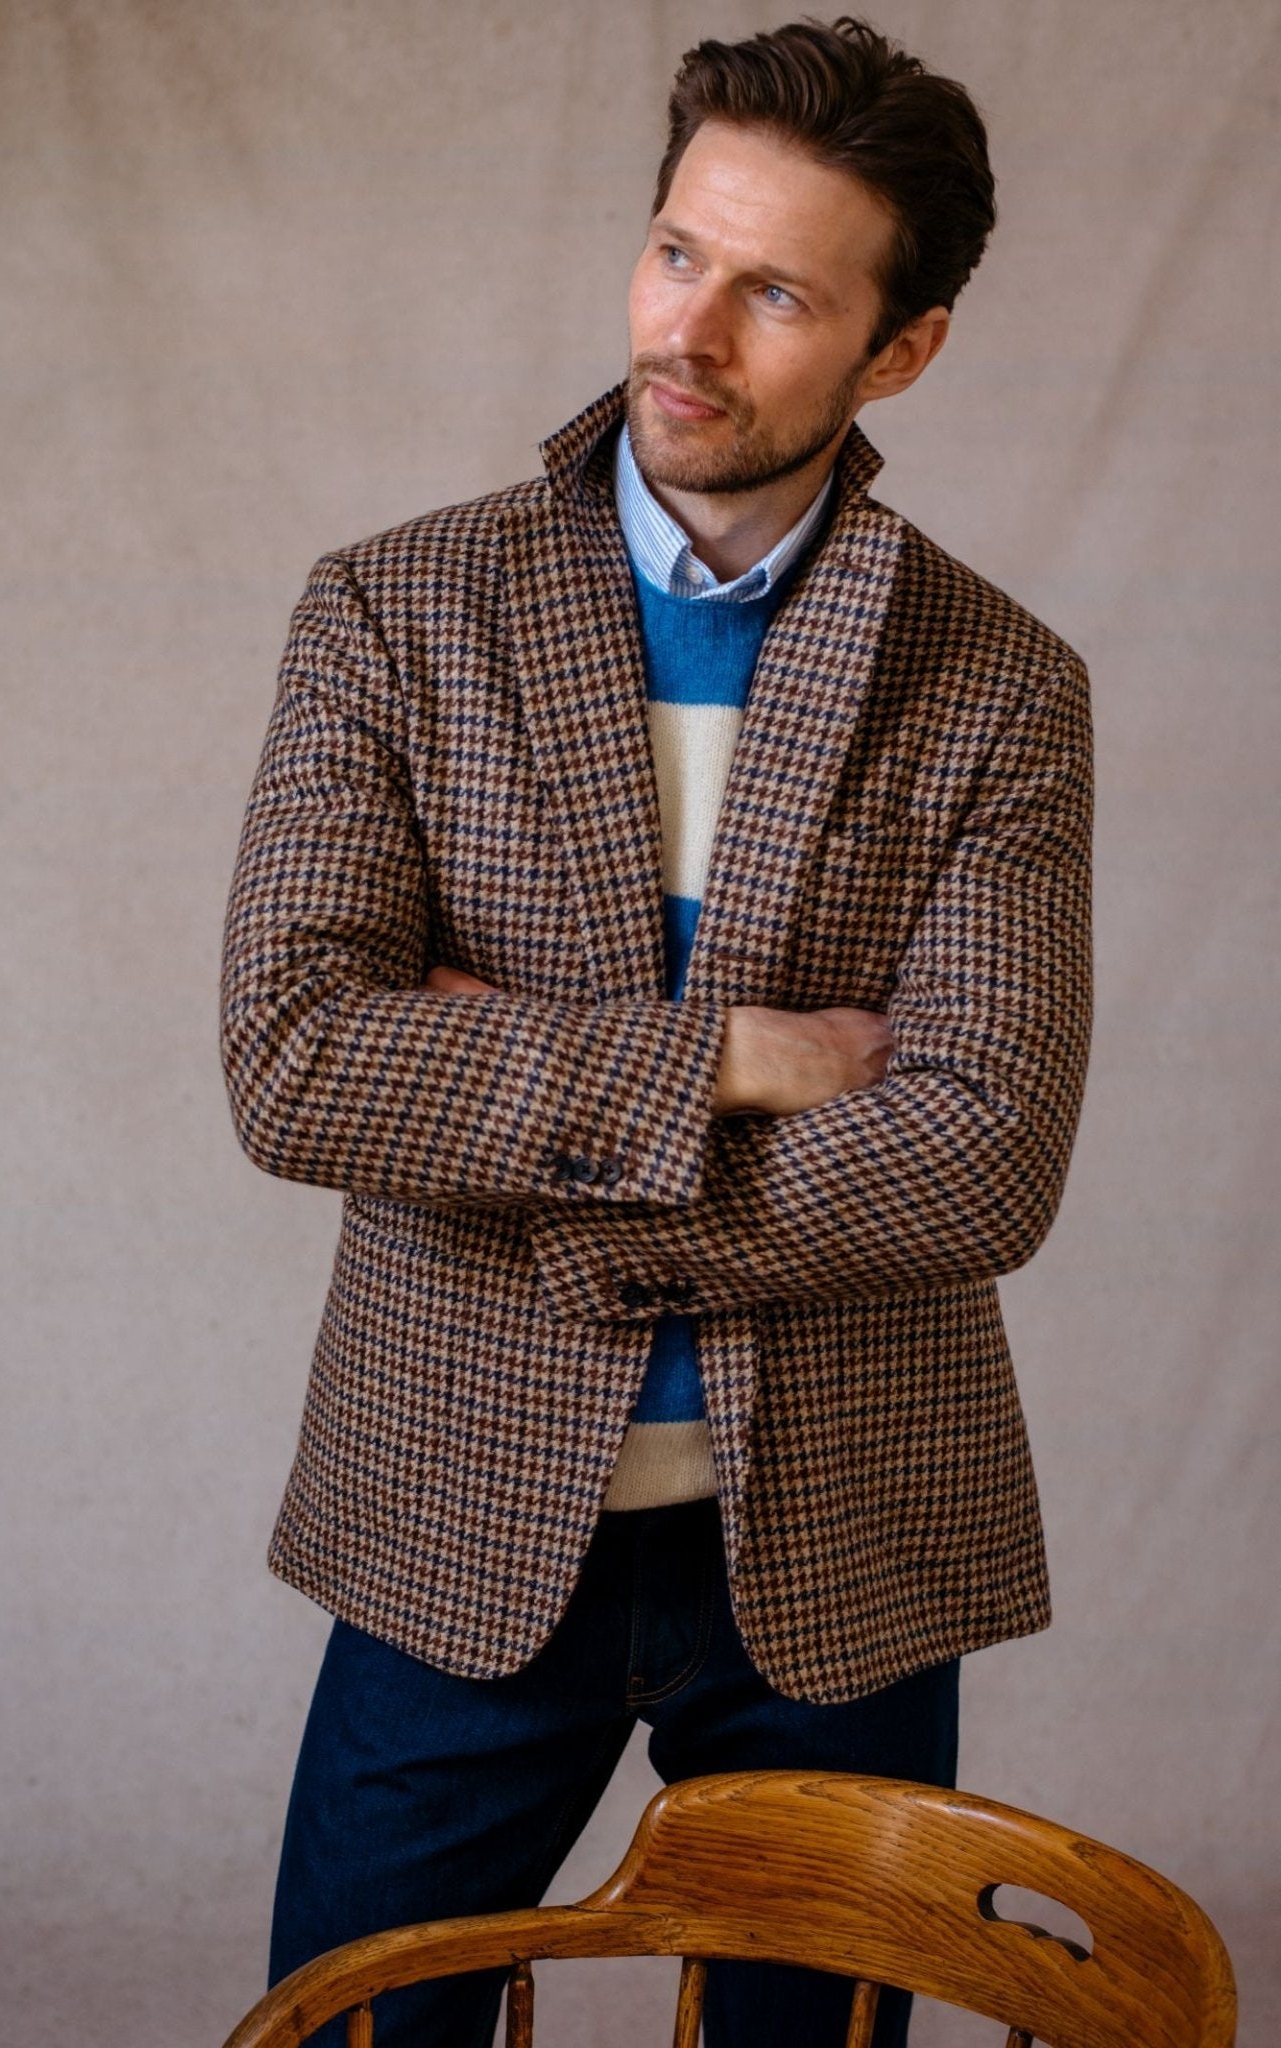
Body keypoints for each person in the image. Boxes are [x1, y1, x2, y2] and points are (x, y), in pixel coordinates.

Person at [220, 18, 1092, 2047]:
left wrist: (520, 1117)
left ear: (903, 348)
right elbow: (293, 1058)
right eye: (676, 250)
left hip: (842, 1553)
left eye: (778, 289)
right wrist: (725, 1059)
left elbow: (983, 1156)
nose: (690, 329)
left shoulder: (999, 686)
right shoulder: (391, 614)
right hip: (458, 1510)